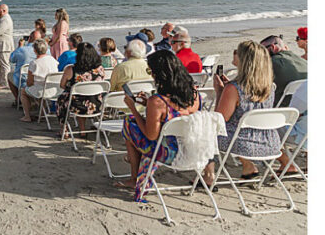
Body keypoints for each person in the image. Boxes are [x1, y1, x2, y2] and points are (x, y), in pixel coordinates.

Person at [119, 50, 202, 201]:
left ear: (159, 73)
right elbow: (177, 113)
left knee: (129, 123)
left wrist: (133, 108)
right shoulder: (194, 94)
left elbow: (151, 135)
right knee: (135, 123)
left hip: (167, 153)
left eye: (151, 71)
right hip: (191, 148)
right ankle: (135, 177)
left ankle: (134, 179)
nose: (151, 74)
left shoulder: (158, 102)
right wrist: (148, 105)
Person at [201, 41, 280, 182]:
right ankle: (248, 167)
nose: (234, 54)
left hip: (244, 144)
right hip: (269, 142)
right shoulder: (269, 86)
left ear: (245, 60)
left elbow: (219, 119)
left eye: (237, 52)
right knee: (241, 127)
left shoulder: (234, 89)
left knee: (207, 128)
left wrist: (220, 92)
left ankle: (208, 176)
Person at [56, 42, 105, 138]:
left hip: (77, 105)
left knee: (62, 99)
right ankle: (82, 130)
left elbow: (62, 85)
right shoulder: (100, 69)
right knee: (82, 97)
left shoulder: (71, 69)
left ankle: (64, 129)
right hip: (96, 104)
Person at [260, 34, 307, 104]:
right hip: (302, 108)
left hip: (279, 109)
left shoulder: (271, 64)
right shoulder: (304, 61)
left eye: (262, 50)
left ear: (273, 47)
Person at [20, 40, 58, 122]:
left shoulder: (34, 63)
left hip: (42, 90)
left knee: (23, 92)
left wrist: (28, 85)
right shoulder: (53, 60)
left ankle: (27, 116)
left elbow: (29, 82)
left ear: (35, 50)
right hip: (54, 89)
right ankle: (41, 113)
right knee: (40, 87)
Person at [9, 31, 41, 104]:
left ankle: (18, 99)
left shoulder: (22, 50)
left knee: (10, 75)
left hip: (24, 81)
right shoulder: (47, 51)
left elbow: (11, 60)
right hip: (40, 80)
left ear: (29, 38)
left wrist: (19, 47)